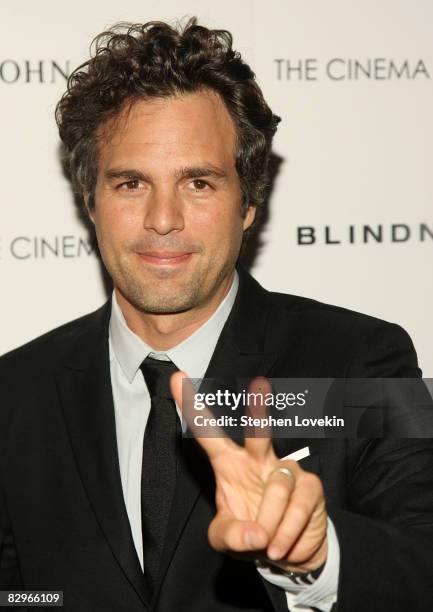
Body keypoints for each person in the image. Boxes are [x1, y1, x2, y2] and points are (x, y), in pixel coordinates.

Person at [0, 17, 432, 612]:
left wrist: (317, 558)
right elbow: (19, 593)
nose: (163, 219)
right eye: (130, 184)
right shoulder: (16, 392)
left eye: (198, 183)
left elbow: (423, 563)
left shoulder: (358, 364)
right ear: (90, 201)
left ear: (250, 201)